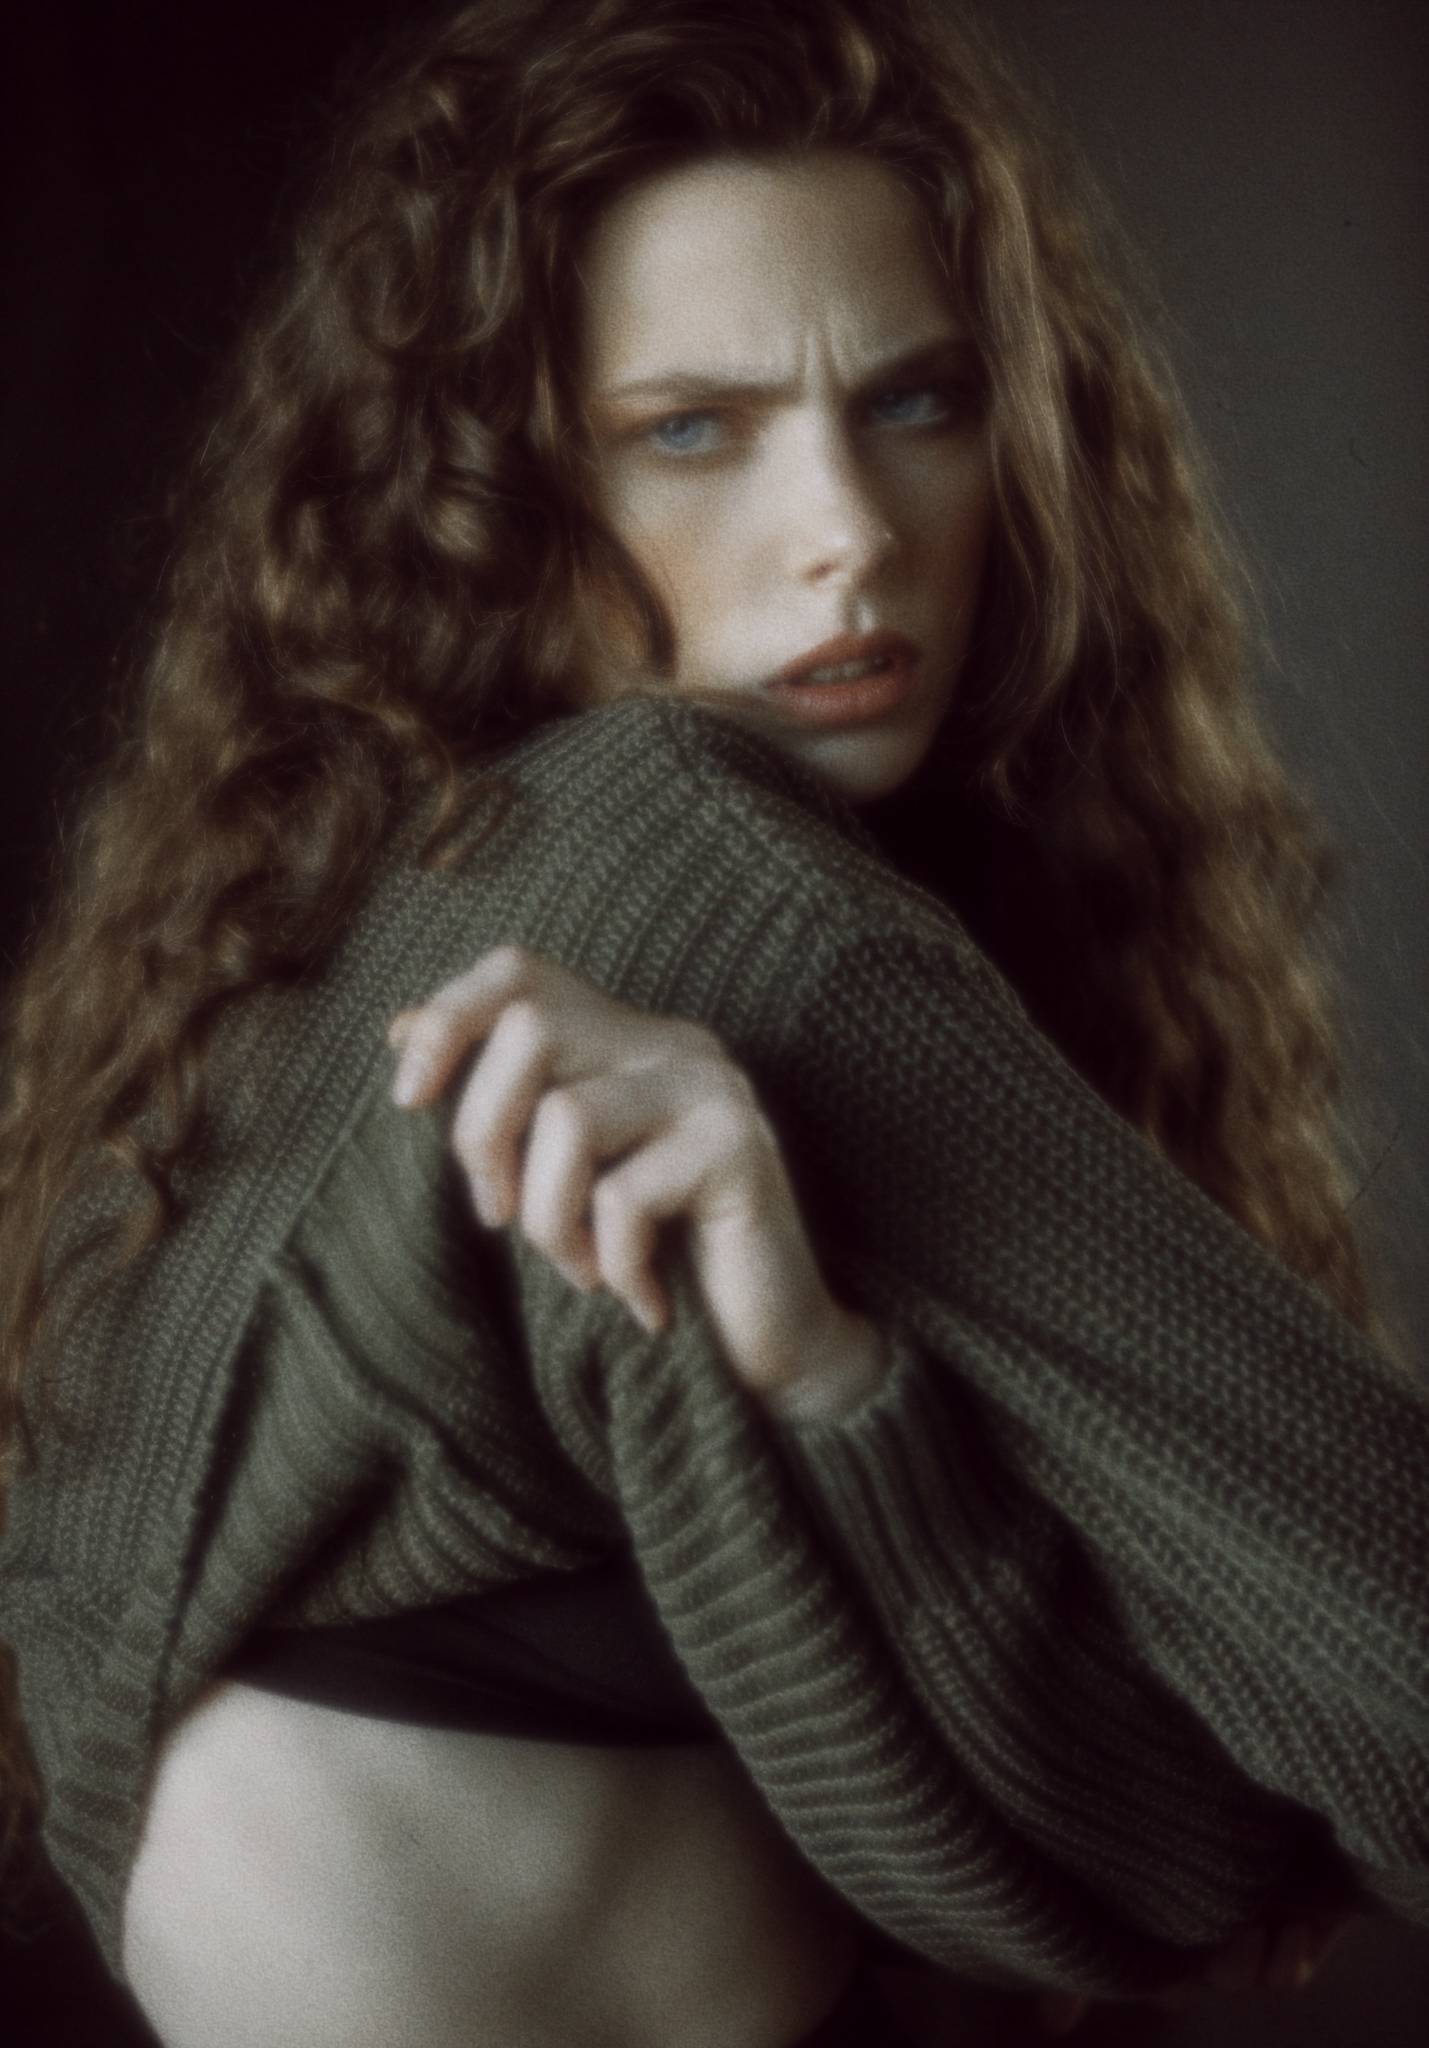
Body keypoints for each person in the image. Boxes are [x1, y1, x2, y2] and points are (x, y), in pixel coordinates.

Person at [0, 1, 1424, 2043]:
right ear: (494, 483)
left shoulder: (314, 918)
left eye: (918, 402)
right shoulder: (672, 856)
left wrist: (827, 1377)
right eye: (691, 429)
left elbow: (1111, 1862)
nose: (850, 529)